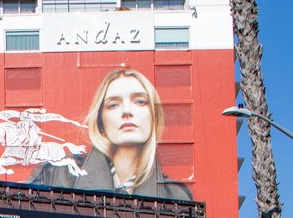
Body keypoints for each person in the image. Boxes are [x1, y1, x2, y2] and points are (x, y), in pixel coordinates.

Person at [24, 67, 193, 201]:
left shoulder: (175, 195)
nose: (127, 111)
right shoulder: (56, 173)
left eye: (140, 101)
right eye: (113, 105)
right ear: (100, 122)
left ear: (154, 117)